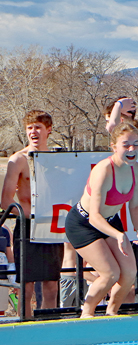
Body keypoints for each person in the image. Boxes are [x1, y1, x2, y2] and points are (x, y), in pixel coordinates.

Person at [65, 123, 138, 317]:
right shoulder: (103, 170)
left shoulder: (137, 170)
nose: (132, 149)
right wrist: (118, 235)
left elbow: (135, 206)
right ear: (114, 147)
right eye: (126, 145)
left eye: (136, 144)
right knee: (110, 273)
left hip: (110, 221)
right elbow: (94, 217)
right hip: (83, 223)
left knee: (129, 274)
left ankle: (111, 313)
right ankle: (87, 314)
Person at [1, 110, 65, 319]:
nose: (33, 132)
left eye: (38, 127)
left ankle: (49, 325)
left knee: (51, 286)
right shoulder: (18, 159)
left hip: (51, 226)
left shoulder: (58, 160)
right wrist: (29, 215)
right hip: (27, 226)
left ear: (48, 130)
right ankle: (26, 325)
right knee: (26, 287)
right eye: (30, 128)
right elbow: (6, 201)